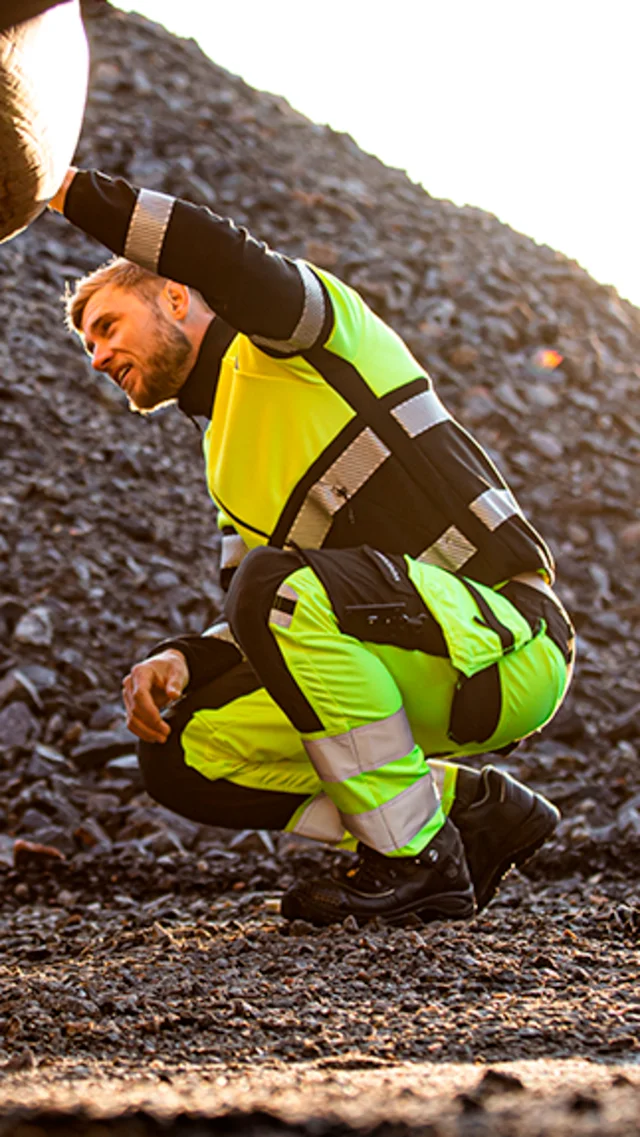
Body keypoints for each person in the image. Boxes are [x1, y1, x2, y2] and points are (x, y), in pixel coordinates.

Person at [47, 167, 574, 926]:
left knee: (272, 586)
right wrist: (185, 659)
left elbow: (218, 253)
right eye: (87, 343)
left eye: (106, 325)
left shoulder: (302, 338)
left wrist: (55, 183)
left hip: (508, 641)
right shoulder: (225, 461)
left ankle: (414, 858)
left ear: (176, 297)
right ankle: (470, 812)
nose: (96, 356)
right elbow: (269, 626)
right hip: (404, 662)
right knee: (186, 746)